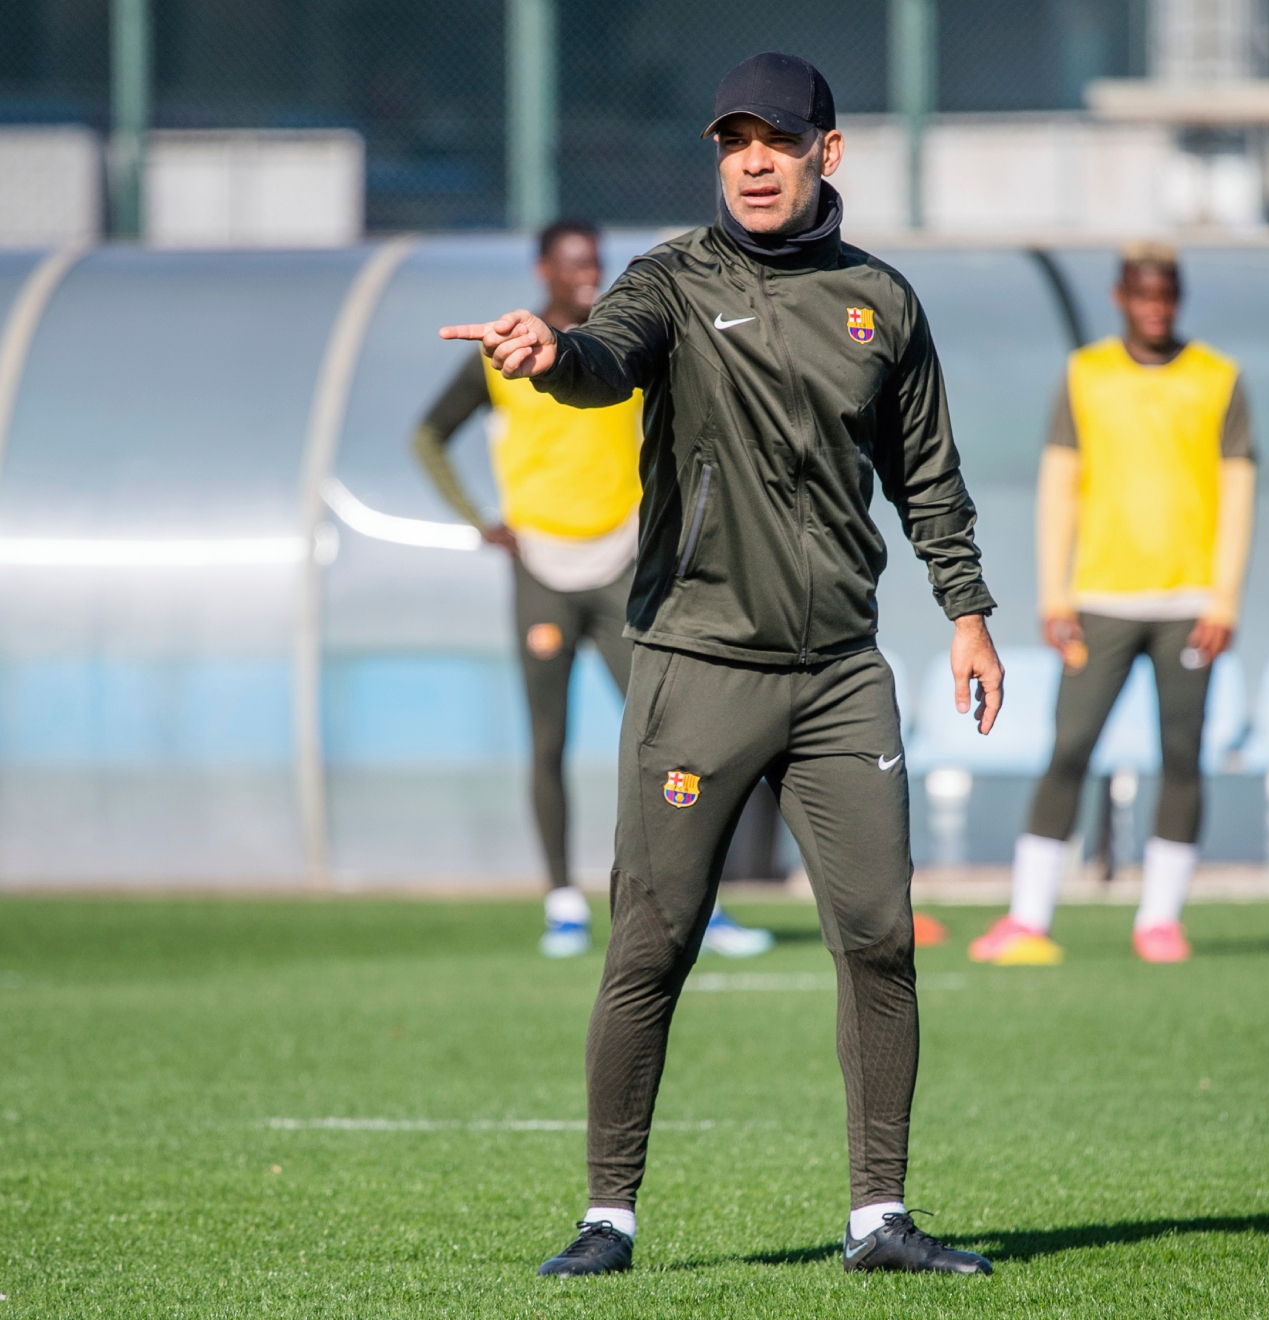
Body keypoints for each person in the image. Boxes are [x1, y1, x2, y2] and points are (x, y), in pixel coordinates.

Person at [439, 52, 1003, 1278]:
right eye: (733, 140)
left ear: (827, 154)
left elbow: (927, 476)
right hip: (699, 663)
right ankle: (608, 1218)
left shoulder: (883, 303)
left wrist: (966, 611)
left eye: (777, 140)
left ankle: (878, 1220)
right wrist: (555, 351)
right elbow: (605, 357)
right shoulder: (673, 284)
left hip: (844, 674)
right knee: (653, 941)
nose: (751, 160)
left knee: (878, 936)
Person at [413, 219, 773, 962]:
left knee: (662, 734)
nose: (588, 275)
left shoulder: (625, 340)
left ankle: (694, 900)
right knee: (548, 741)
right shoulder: (504, 351)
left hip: (620, 565)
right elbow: (428, 436)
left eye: (595, 263)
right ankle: (562, 902)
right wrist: (481, 521)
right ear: (543, 268)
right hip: (540, 568)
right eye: (573, 264)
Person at [968, 241, 1256, 967]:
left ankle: (1160, 919)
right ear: (1120, 296)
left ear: (1178, 299)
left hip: (1191, 603)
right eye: (1143, 295)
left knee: (1182, 755)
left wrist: (1224, 598)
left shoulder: (1219, 380)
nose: (1155, 309)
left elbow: (1239, 496)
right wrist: (1054, 591)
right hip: (1098, 598)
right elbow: (1059, 485)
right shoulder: (1085, 375)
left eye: (1167, 297)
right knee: (1069, 747)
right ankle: (1029, 917)